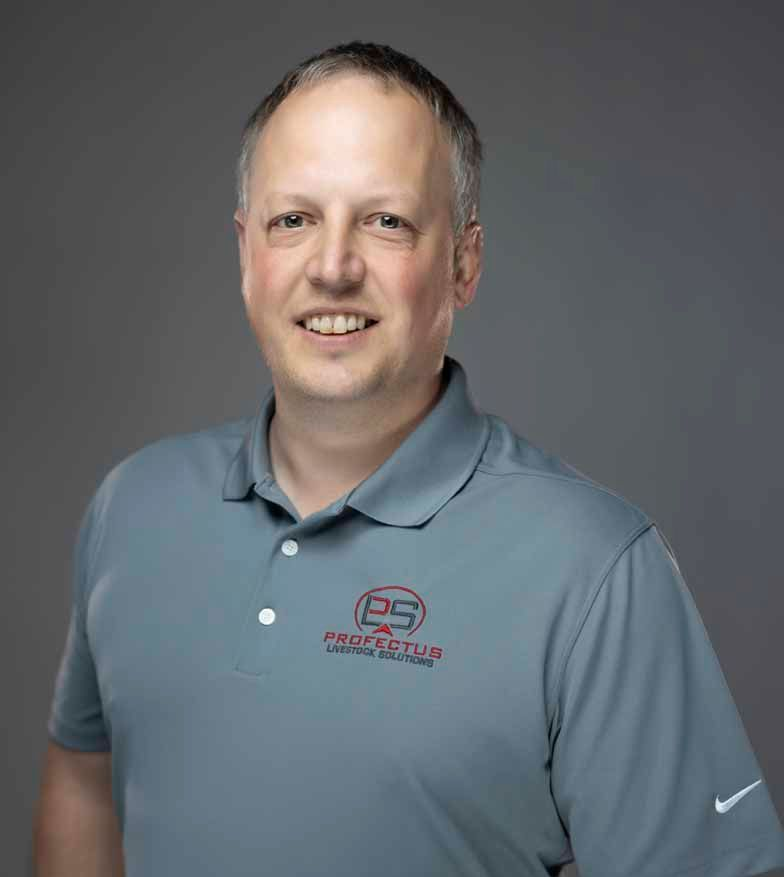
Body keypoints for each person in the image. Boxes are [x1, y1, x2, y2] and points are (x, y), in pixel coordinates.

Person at [33, 40, 784, 877]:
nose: (333, 266)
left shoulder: (598, 569)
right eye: (295, 219)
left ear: (463, 264)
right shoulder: (132, 505)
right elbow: (83, 773)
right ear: (247, 253)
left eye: (386, 221)